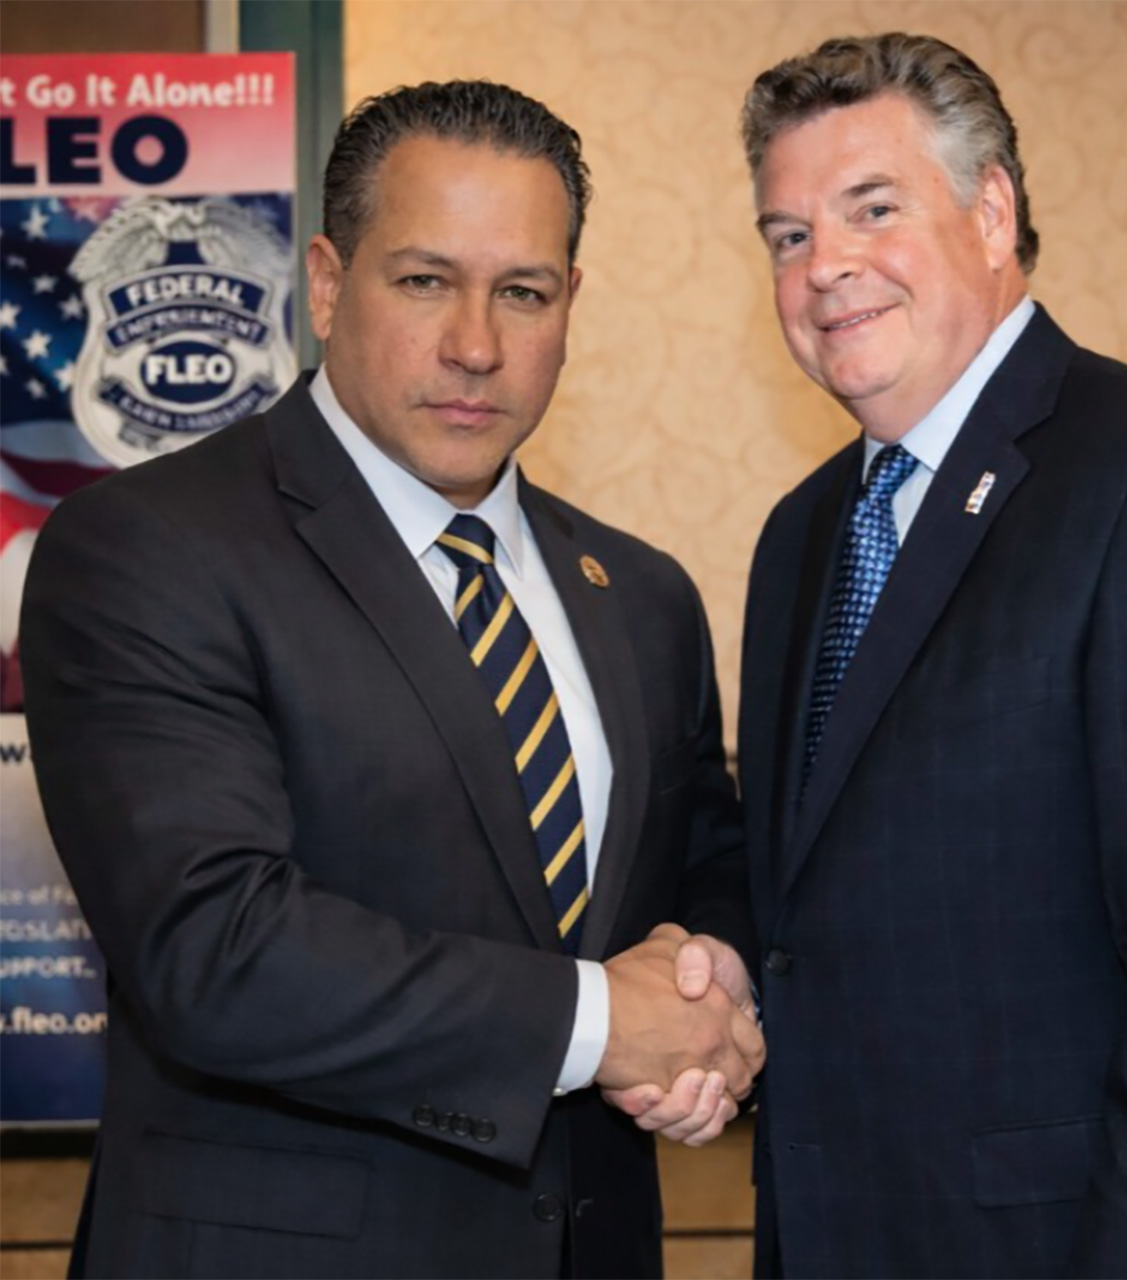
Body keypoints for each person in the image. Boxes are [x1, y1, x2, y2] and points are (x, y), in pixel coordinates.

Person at [20, 80, 764, 1280]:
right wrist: (599, 1023)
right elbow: (214, 948)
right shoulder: (147, 548)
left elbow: (712, 861)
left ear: (569, 305)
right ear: (325, 281)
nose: (475, 343)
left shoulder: (641, 592)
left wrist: (704, 983)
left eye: (522, 291)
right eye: (424, 280)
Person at [617, 30, 1127, 1279]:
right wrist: (715, 995)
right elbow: (816, 905)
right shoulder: (800, 532)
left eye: (871, 209)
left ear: (990, 211)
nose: (825, 268)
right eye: (787, 234)